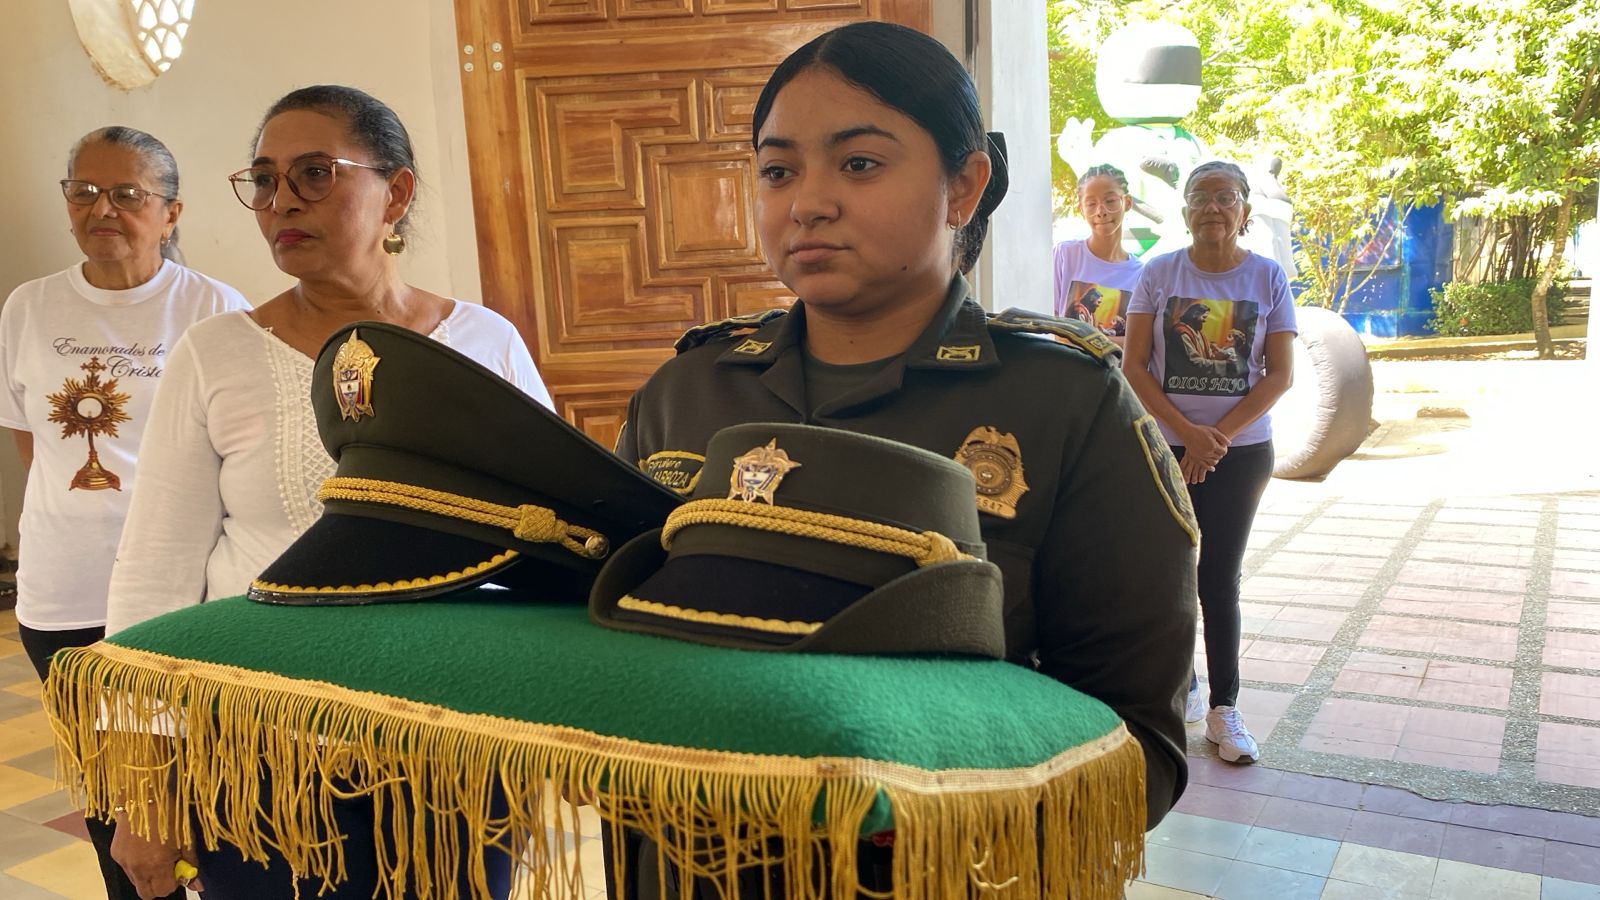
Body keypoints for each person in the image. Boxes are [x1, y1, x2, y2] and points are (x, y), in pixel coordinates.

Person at [612, 21, 1198, 896]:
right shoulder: (686, 391)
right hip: (697, 865)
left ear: (964, 185)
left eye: (858, 164)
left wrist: (920, 818)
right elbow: (616, 656)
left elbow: (1135, 741)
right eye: (778, 170)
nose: (807, 201)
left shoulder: (1066, 403)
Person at [103, 85, 550, 900]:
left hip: (455, 746)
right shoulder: (217, 354)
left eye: (315, 173)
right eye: (265, 180)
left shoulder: (486, 343)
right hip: (261, 753)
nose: (281, 203)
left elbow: (551, 544)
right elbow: (155, 573)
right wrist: (145, 782)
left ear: (398, 192)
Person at [0, 125, 247, 900]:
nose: (101, 207)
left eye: (128, 194)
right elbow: (30, 443)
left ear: (171, 213)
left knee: (210, 798)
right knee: (115, 813)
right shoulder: (29, 307)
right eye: (84, 190)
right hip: (63, 591)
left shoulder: (215, 310)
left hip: (186, 595)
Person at [1124, 160, 1297, 764]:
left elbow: (1280, 376)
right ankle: (1176, 687)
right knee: (1164, 571)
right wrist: (1185, 436)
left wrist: (1213, 437)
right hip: (1164, 446)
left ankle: (1225, 709)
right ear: (1186, 210)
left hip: (1241, 451)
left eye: (1226, 198)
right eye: (1202, 197)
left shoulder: (1268, 277)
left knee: (1218, 578)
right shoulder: (1160, 273)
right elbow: (1135, 367)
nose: (1213, 208)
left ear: (1244, 212)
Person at [1052, 163, 1142, 342]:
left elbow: (1138, 344)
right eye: (1091, 204)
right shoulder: (1065, 255)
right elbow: (1052, 328)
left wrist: (1080, 340)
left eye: (1110, 201)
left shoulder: (1142, 274)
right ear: (1081, 209)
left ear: (1127, 202)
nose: (1101, 211)